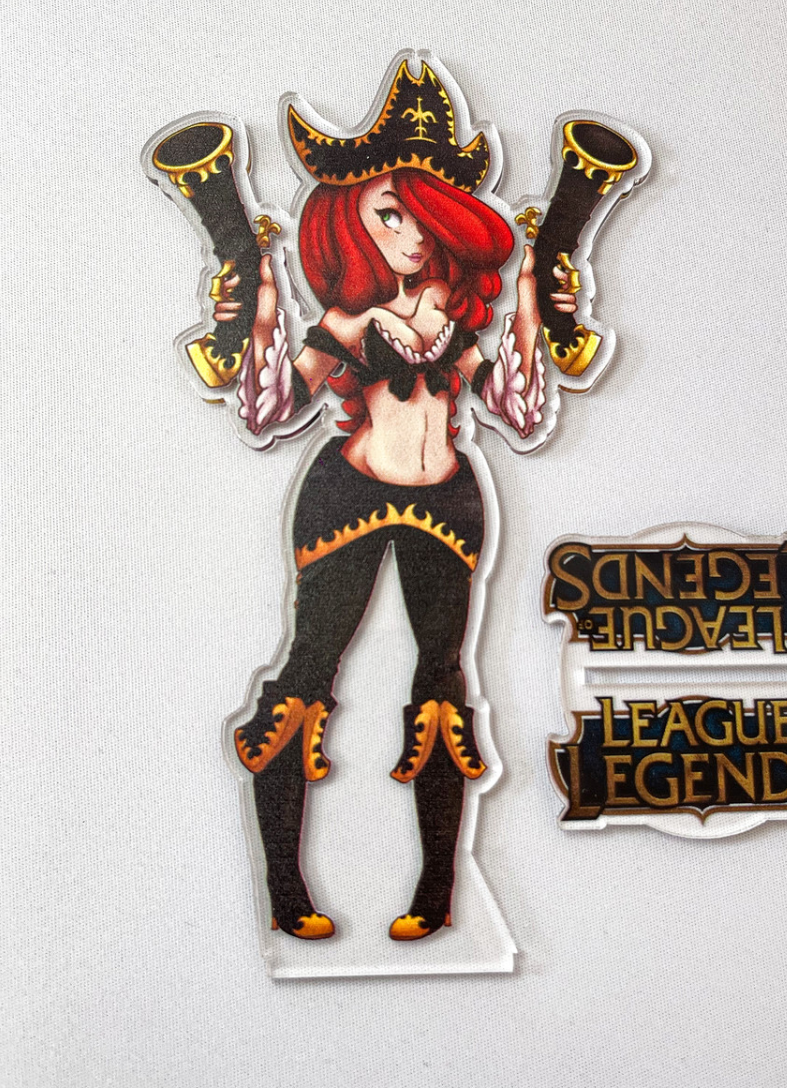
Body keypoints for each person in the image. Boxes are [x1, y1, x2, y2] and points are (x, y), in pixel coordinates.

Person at [216, 62, 576, 942]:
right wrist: (259, 313)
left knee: (443, 686)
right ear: (348, 220)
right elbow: (269, 410)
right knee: (307, 674)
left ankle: (437, 899)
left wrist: (532, 310)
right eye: (389, 215)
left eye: (421, 215)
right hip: (349, 491)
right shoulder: (347, 321)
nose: (411, 234)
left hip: (449, 499)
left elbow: (520, 413)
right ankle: (284, 893)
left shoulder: (455, 319)